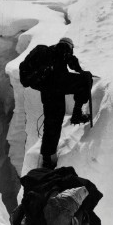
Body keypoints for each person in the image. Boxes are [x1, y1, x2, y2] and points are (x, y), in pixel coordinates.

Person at [30, 37, 93, 169]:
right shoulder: (63, 48)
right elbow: (73, 64)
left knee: (52, 123)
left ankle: (47, 158)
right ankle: (77, 113)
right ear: (69, 46)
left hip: (47, 92)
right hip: (58, 86)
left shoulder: (48, 53)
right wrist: (81, 71)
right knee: (85, 79)